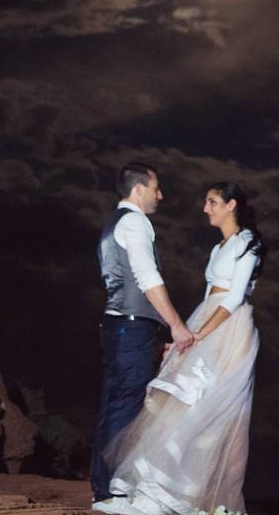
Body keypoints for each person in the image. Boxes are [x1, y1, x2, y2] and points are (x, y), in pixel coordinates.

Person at [94, 182, 265, 515]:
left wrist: (199, 334)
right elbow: (209, 296)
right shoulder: (219, 248)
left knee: (208, 409)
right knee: (181, 405)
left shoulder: (248, 243)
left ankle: (186, 497)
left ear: (232, 205)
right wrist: (187, 335)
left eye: (213, 202)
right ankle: (158, 492)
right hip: (208, 320)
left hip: (229, 328)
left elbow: (233, 297)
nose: (205, 208)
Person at [91, 163, 196, 504]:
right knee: (126, 406)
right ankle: (112, 490)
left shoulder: (111, 225)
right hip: (131, 325)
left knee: (113, 404)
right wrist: (176, 326)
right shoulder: (136, 222)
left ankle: (104, 486)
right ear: (139, 189)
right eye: (156, 188)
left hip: (119, 324)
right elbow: (147, 277)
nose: (160, 195)